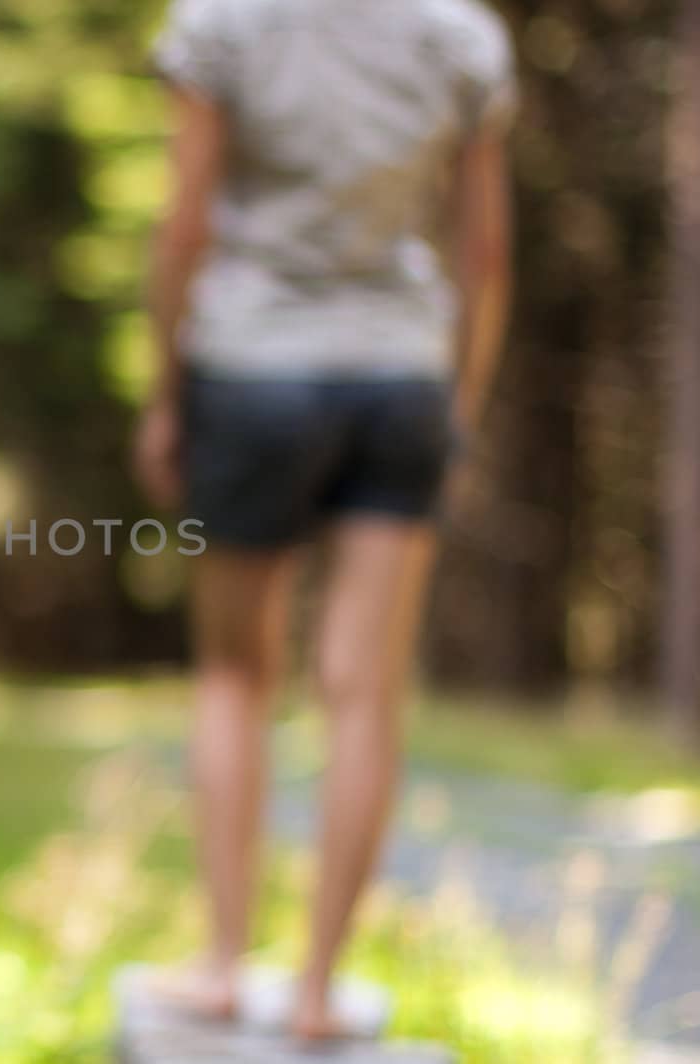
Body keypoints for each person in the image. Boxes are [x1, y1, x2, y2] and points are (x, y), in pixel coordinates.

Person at [133, 0, 516, 1041]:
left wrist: (166, 395)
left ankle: (220, 965)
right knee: (364, 690)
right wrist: (460, 404)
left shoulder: (222, 24)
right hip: (402, 376)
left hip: (254, 368)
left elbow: (186, 224)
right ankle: (313, 991)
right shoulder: (459, 37)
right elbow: (482, 252)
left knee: (232, 673)